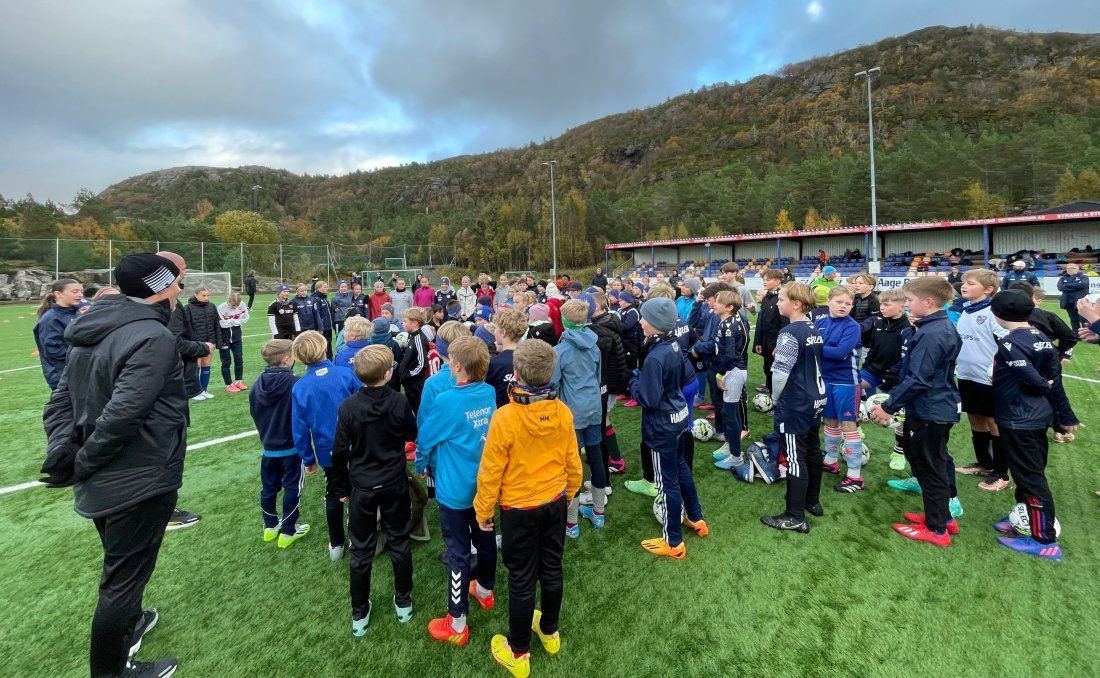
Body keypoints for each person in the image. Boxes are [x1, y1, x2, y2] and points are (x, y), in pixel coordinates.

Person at [41, 252, 189, 676]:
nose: (179, 288)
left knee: (124, 572)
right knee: (121, 582)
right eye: (175, 281)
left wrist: (65, 453)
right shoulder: (151, 337)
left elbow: (59, 403)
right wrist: (80, 461)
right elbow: (124, 414)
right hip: (135, 478)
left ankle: (132, 622)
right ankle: (111, 671)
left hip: (108, 476)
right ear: (160, 287)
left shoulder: (97, 326)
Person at [473, 339, 582, 676]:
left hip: (521, 508)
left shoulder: (505, 418)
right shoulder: (560, 411)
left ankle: (519, 652)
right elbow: (572, 460)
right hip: (552, 502)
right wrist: (571, 491)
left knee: (522, 579)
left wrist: (483, 510)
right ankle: (548, 630)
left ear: (516, 374)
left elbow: (490, 470)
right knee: (552, 567)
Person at [416, 337, 498, 645]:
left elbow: (425, 439)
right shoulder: (489, 391)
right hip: (486, 487)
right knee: (486, 539)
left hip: (455, 492)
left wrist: (421, 465)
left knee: (458, 552)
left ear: (457, 367)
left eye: (450, 361)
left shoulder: (447, 400)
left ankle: (457, 623)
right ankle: (485, 590)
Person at [331, 344, 418, 634]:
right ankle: (367, 609)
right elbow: (340, 450)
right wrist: (342, 486)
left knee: (366, 547)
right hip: (377, 482)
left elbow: (339, 451)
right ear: (389, 372)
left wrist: (340, 485)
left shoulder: (385, 402)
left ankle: (397, 602)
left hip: (376, 482)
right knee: (393, 541)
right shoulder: (359, 405)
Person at [869, 278, 962, 547]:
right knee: (927, 463)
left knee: (930, 466)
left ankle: (937, 529)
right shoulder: (932, 327)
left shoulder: (933, 333)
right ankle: (941, 517)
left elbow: (919, 378)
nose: (906, 305)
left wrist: (888, 407)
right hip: (932, 406)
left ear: (928, 302)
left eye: (909, 301)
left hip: (931, 409)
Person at [988, 292, 1063, 560]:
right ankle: (1025, 517)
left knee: (1031, 478)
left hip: (1019, 418)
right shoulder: (1041, 337)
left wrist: (1043, 384)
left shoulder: (1009, 343)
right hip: (1034, 415)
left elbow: (1036, 379)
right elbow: (1053, 375)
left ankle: (1044, 540)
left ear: (998, 314)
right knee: (1025, 472)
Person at [631, 297, 706, 558]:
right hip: (679, 417)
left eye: (644, 318)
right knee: (682, 468)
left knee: (667, 483)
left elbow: (648, 399)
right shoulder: (674, 344)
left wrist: (634, 383)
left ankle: (673, 542)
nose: (640, 322)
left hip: (662, 425)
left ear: (656, 323)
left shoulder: (655, 356)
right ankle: (696, 518)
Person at [760, 282, 826, 534]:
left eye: (782, 299)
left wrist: (776, 399)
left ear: (796, 304)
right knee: (812, 449)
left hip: (796, 401)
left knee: (795, 457)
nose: (777, 303)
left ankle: (795, 515)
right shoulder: (813, 327)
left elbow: (779, 374)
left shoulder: (789, 332)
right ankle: (812, 501)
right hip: (816, 398)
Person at [291, 330, 362, 561]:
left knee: (334, 493)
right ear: (323, 348)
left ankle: (338, 544)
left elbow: (299, 429)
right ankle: (352, 539)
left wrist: (308, 459)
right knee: (354, 491)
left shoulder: (301, 386)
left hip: (329, 451)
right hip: (356, 445)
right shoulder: (345, 374)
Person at [953, 269, 1011, 491]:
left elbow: (1007, 341)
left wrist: (994, 367)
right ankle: (984, 464)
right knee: (975, 419)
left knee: (994, 423)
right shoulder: (965, 310)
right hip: (967, 375)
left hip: (989, 378)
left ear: (988, 290)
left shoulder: (993, 312)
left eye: (970, 283)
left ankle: (1001, 474)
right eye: (963, 282)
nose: (963, 286)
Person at [248, 339, 310, 548]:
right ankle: (288, 530)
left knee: (268, 488)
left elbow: (254, 412)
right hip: (292, 447)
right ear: (287, 359)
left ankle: (270, 525)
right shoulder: (295, 383)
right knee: (292, 487)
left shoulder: (257, 384)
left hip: (269, 447)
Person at [554, 300, 605, 537]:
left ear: (564, 321)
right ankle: (598, 511)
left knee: (572, 465)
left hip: (572, 414)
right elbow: (597, 376)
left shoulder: (560, 351)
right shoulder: (594, 346)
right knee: (596, 457)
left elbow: (553, 385)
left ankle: (572, 522)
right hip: (594, 408)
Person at [815, 286, 865, 492]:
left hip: (846, 381)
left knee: (847, 425)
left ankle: (855, 476)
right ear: (828, 301)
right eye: (839, 302)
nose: (843, 306)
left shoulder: (852, 327)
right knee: (830, 421)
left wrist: (813, 346)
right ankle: (831, 460)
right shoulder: (820, 322)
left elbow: (840, 353)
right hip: (825, 379)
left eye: (848, 303)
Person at [859, 289, 909, 471]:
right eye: (881, 304)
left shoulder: (908, 326)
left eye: (887, 304)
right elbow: (873, 348)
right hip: (875, 371)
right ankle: (855, 428)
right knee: (851, 388)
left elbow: (908, 357)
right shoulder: (879, 322)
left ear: (902, 307)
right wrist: (866, 368)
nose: (882, 308)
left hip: (897, 376)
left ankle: (899, 452)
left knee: (902, 416)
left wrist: (894, 374)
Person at [711, 291, 750, 475]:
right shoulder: (733, 320)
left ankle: (736, 455)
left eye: (718, 302)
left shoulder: (729, 325)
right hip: (734, 369)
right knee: (728, 411)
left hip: (732, 370)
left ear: (729, 307)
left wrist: (720, 374)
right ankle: (729, 446)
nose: (714, 304)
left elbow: (730, 354)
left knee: (730, 412)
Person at [34, 278, 85, 390]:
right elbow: (54, 351)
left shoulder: (76, 313)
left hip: (80, 372)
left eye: (81, 291)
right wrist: (84, 355)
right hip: (62, 376)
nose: (80, 295)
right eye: (75, 291)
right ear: (58, 294)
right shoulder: (51, 319)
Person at [183, 287, 221, 402]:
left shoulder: (212, 306)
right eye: (203, 295)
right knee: (196, 367)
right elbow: (186, 328)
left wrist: (218, 341)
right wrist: (195, 342)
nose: (206, 298)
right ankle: (195, 392)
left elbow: (216, 325)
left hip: (210, 342)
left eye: (208, 295)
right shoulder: (188, 308)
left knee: (206, 365)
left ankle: (204, 390)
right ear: (196, 295)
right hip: (196, 344)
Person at [753, 269, 787, 394]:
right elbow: (760, 322)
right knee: (767, 369)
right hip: (766, 343)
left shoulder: (781, 298)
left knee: (778, 373)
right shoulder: (766, 298)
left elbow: (784, 323)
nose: (764, 282)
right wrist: (758, 341)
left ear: (777, 281)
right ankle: (773, 396)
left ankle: (778, 402)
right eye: (764, 280)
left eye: (768, 279)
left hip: (776, 344)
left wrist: (780, 345)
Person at [486, 308, 528, 407]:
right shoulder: (528, 358)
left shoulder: (494, 363)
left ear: (503, 332)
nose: (494, 332)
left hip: (502, 416)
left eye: (495, 328)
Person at [216, 291, 250, 393]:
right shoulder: (221, 308)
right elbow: (222, 324)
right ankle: (229, 384)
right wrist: (235, 321)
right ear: (229, 300)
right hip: (224, 339)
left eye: (237, 305)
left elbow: (246, 319)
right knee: (226, 362)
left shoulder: (242, 305)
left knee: (239, 359)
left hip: (237, 338)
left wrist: (231, 321)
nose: (235, 307)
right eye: (233, 305)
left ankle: (238, 381)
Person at [399, 307, 431, 413]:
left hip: (415, 385)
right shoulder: (412, 337)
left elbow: (422, 364)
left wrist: (408, 375)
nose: (403, 323)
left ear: (415, 323)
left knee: (417, 410)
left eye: (405, 321)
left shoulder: (419, 339)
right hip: (409, 384)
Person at [1057, 263, 1089, 328]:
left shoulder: (1084, 277)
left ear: (1077, 269)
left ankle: (1086, 335)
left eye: (1072, 268)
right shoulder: (1063, 278)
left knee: (1083, 319)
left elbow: (1083, 285)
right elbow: (1060, 287)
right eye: (1068, 268)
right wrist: (1075, 287)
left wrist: (1067, 285)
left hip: (1080, 302)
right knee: (1073, 320)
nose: (1070, 270)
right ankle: (1075, 335)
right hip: (1068, 302)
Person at [311, 281, 335, 359]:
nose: (326, 288)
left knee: (328, 344)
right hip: (322, 328)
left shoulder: (324, 297)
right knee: (322, 345)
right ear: (318, 288)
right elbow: (316, 314)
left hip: (328, 327)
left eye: (327, 286)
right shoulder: (315, 299)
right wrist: (319, 327)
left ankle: (329, 359)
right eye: (324, 287)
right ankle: (322, 360)